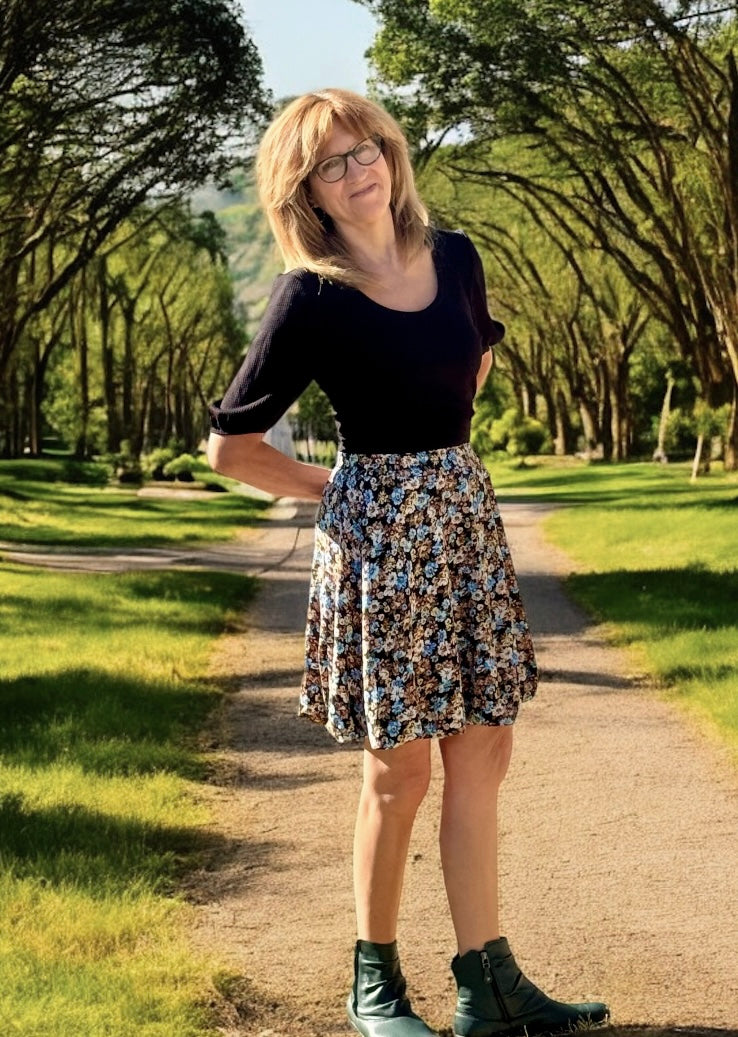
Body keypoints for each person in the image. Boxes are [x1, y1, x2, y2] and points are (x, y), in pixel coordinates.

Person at [207, 87, 609, 1037]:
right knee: (401, 770)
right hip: (382, 542)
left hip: (462, 520)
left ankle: (487, 981)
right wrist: (341, 489)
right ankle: (375, 985)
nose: (360, 171)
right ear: (304, 190)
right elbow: (232, 448)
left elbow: (474, 362)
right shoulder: (313, 294)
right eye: (333, 163)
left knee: (484, 750)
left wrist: (442, 463)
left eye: (369, 148)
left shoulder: (458, 257)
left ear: (392, 153)